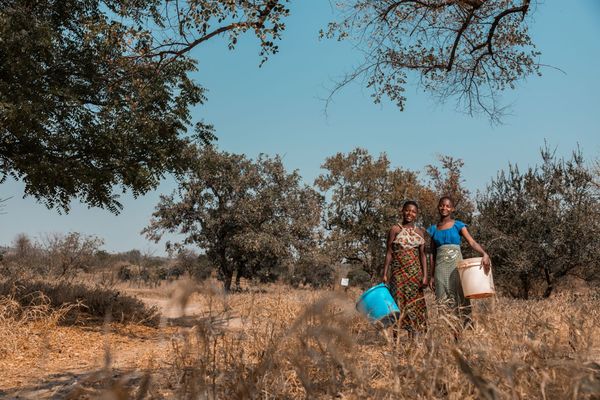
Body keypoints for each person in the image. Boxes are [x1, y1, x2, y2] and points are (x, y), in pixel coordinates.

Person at [427, 196, 491, 324]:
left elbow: (472, 242)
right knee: (442, 298)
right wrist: (431, 276)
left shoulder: (458, 225)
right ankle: (446, 329)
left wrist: (484, 253)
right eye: (442, 205)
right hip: (440, 269)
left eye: (447, 206)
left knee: (460, 296)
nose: (444, 208)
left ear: (452, 209)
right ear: (438, 206)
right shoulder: (433, 229)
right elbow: (432, 254)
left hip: (456, 267)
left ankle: (465, 328)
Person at [382, 200, 429, 336]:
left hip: (415, 275)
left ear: (417, 214)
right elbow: (389, 252)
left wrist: (425, 276)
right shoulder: (395, 229)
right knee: (397, 305)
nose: (410, 213)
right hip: (398, 274)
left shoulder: (419, 232)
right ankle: (396, 341)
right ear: (402, 211)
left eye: (413, 211)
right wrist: (385, 273)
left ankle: (412, 342)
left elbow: (423, 256)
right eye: (407, 210)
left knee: (414, 306)